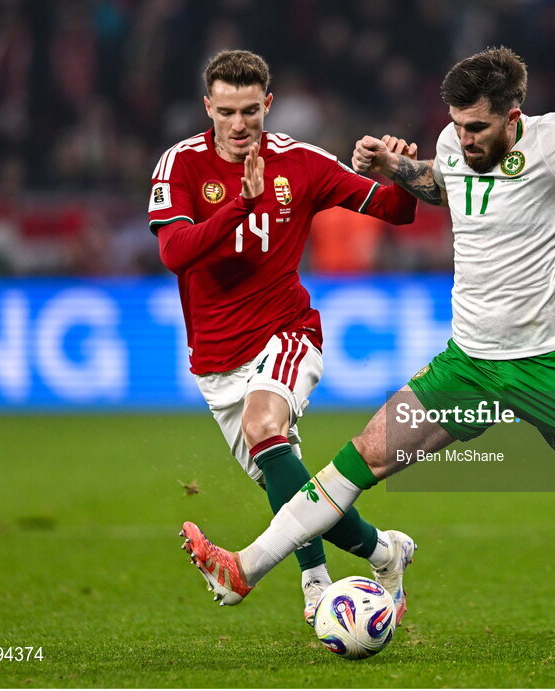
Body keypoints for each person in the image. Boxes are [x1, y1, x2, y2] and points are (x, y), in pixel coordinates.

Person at [181, 47, 555, 628]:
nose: (463, 138)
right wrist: (395, 169)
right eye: (456, 125)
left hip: (551, 363)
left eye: (476, 127)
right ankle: (245, 570)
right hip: (469, 362)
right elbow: (443, 184)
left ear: (511, 116)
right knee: (361, 458)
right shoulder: (455, 143)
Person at [148, 49, 419, 625]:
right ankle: (385, 552)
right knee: (286, 479)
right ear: (208, 107)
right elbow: (175, 253)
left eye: (250, 110)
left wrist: (398, 171)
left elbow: (398, 212)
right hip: (216, 362)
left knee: (264, 425)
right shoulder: (181, 165)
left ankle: (312, 588)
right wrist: (239, 207)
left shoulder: (302, 163)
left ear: (268, 103)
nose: (240, 124)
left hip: (286, 332)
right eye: (226, 112)